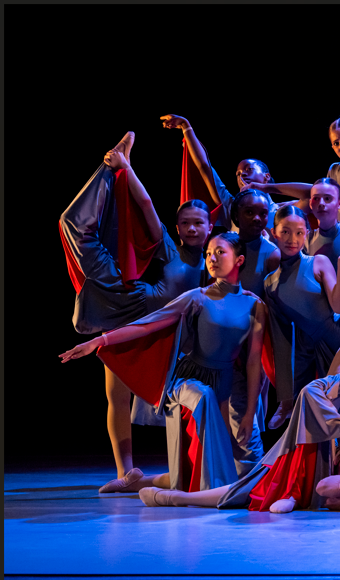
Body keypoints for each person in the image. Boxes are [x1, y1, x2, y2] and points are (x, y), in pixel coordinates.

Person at [135, 324, 340, 514]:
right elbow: (313, 389)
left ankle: (296, 492)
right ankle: (175, 497)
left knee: (252, 487)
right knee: (248, 490)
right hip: (324, 456)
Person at [59, 132, 212, 489]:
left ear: (209, 227)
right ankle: (125, 472)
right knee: (74, 225)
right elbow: (144, 206)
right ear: (177, 228)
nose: (191, 228)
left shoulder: (217, 255)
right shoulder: (170, 249)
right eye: (185, 223)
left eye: (198, 223)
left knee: (187, 400)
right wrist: (125, 168)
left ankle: (194, 465)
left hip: (174, 331)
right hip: (130, 306)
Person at [60, 232, 266, 494]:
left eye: (219, 252)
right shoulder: (197, 296)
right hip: (191, 380)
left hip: (226, 383)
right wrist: (99, 341)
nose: (211, 258)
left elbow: (252, 363)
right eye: (208, 254)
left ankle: (138, 483)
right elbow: (147, 325)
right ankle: (182, 493)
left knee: (239, 472)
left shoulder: (254, 305)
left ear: (239, 260)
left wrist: (249, 413)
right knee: (204, 402)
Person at [263, 205, 340, 429]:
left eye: (299, 232)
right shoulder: (270, 284)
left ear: (307, 233)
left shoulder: (318, 262)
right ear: (274, 233)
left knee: (324, 404)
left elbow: (339, 307)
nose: (292, 239)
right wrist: (286, 400)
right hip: (324, 351)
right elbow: (282, 343)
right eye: (285, 231)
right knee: (328, 414)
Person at [159, 114, 302, 232]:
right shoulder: (232, 208)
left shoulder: (284, 210)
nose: (242, 175)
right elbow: (204, 168)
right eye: (238, 174)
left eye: (248, 169)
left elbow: (314, 193)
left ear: (267, 177)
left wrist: (266, 188)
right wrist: (187, 128)